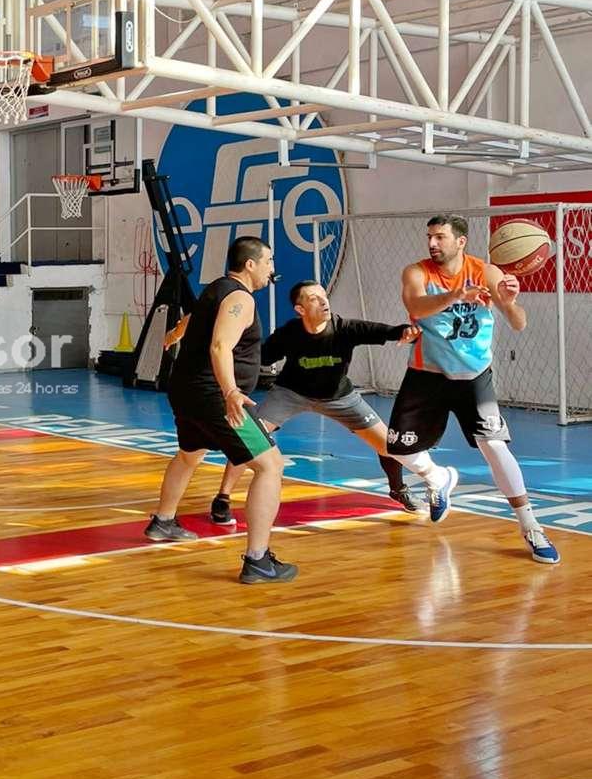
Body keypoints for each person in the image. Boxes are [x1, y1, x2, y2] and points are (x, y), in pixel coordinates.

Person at [386, 214, 559, 564]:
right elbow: (416, 306)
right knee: (398, 449)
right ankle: (438, 477)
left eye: (440, 237)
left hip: (474, 375)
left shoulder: (486, 272)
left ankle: (531, 526)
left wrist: (509, 301)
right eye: (430, 237)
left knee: (494, 445)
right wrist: (457, 295)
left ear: (461, 241)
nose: (432, 243)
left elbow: (518, 323)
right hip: (427, 375)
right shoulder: (416, 272)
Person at [204, 280, 431, 524]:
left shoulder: (344, 328)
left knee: (389, 445)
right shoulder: (289, 333)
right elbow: (260, 357)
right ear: (300, 309)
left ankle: (398, 489)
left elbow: (386, 331)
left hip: (339, 397)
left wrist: (407, 332)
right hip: (290, 394)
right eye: (314, 298)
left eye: (324, 296)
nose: (324, 302)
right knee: (251, 438)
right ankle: (223, 497)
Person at [147, 235, 298, 584]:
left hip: (186, 391)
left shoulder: (216, 289)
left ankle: (163, 521)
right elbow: (220, 345)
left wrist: (175, 333)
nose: (271, 269)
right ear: (250, 264)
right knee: (270, 466)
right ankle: (258, 561)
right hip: (214, 396)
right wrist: (230, 391)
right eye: (269, 262)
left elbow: (193, 318)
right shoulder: (241, 298)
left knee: (189, 455)